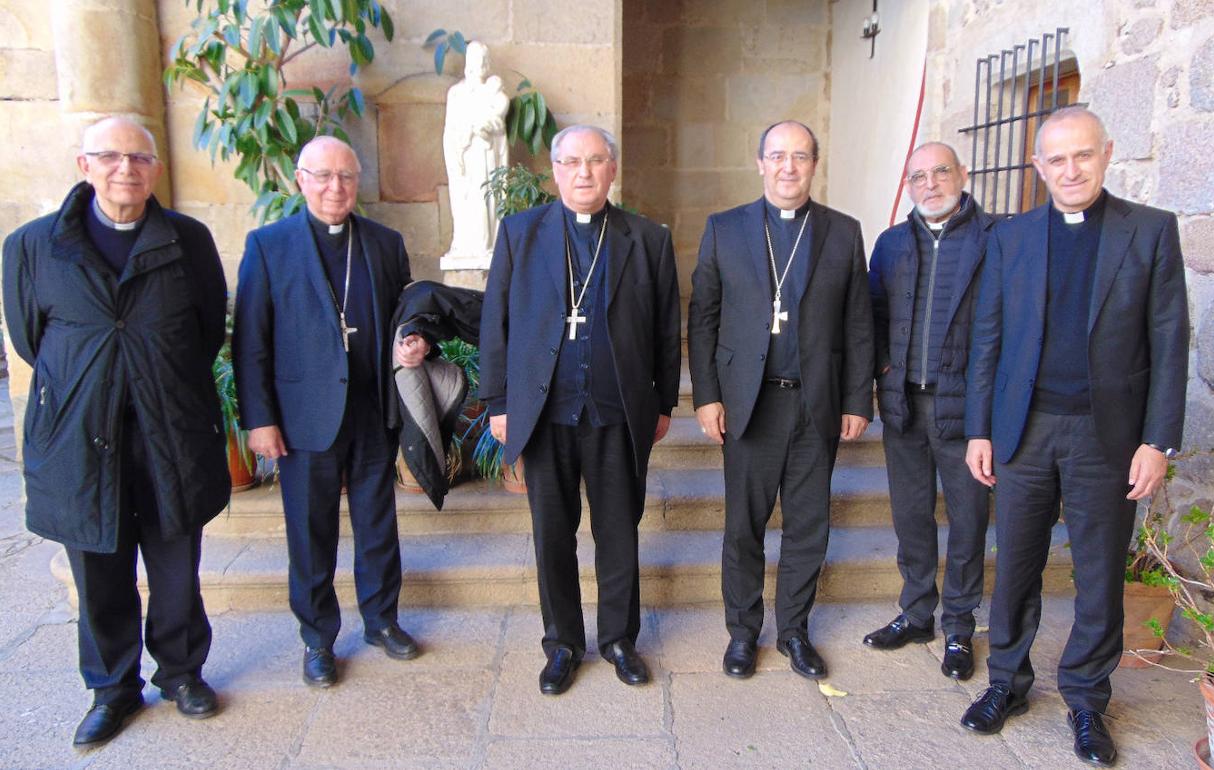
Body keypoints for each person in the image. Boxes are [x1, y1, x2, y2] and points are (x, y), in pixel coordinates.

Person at [960, 106, 1189, 767]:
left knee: (1098, 578)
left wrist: (1158, 440)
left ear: (1107, 153)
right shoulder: (1011, 237)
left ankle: (1087, 701)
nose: (1070, 169)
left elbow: (1170, 342)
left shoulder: (1149, 232)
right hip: (1024, 431)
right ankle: (1007, 683)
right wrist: (980, 429)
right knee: (1017, 570)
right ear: (1038, 167)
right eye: (1055, 159)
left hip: (1107, 437)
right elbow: (988, 339)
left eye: (1081, 155)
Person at [2, 116, 230, 746]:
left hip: (170, 434)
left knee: (176, 563)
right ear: (84, 165)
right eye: (110, 157)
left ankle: (182, 673)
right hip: (80, 439)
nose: (125, 169)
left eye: (139, 158)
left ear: (155, 169)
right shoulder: (31, 246)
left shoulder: (188, 240)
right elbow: (30, 340)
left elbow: (206, 330)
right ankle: (112, 688)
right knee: (97, 571)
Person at [478, 124, 681, 695]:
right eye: (571, 162)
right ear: (556, 170)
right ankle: (563, 643)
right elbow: (495, 324)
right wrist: (499, 402)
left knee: (619, 531)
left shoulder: (647, 238)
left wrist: (664, 399)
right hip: (544, 414)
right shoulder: (520, 233)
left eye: (595, 162)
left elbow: (667, 327)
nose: (584, 173)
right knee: (552, 534)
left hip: (617, 412)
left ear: (612, 170)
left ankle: (619, 639)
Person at [233, 136, 428, 688]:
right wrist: (259, 419)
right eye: (322, 176)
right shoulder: (270, 246)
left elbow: (405, 316)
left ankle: (381, 620)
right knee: (310, 531)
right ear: (300, 180)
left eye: (345, 176)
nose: (334, 187)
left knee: (377, 524)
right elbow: (251, 340)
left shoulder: (385, 243)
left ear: (356, 181)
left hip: (371, 407)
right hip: (302, 417)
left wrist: (413, 341)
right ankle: (317, 638)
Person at [687, 120, 874, 681]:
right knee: (743, 525)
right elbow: (703, 319)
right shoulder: (724, 229)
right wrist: (706, 396)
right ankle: (743, 634)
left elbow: (859, 323)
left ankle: (794, 631)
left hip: (815, 403)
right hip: (749, 405)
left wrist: (857, 400)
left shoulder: (843, 232)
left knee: (808, 525)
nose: (788, 167)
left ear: (815, 164)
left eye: (800, 156)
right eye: (777, 156)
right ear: (760, 162)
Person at [863, 142, 994, 680]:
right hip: (904, 408)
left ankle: (959, 626)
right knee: (911, 515)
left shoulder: (996, 240)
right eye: (918, 175)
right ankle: (917, 611)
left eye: (941, 172)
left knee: (968, 521)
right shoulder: (891, 244)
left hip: (967, 411)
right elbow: (870, 318)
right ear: (908, 185)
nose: (931, 183)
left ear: (962, 174)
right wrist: (881, 378)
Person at [442, 40, 510, 260]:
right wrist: (470, 130)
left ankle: (486, 244)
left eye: (483, 59)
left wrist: (488, 126)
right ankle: (466, 244)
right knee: (467, 198)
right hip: (466, 155)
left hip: (487, 154)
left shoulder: (497, 94)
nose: (480, 63)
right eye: (475, 59)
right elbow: (451, 129)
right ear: (468, 63)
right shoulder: (457, 93)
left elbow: (498, 125)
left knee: (487, 196)